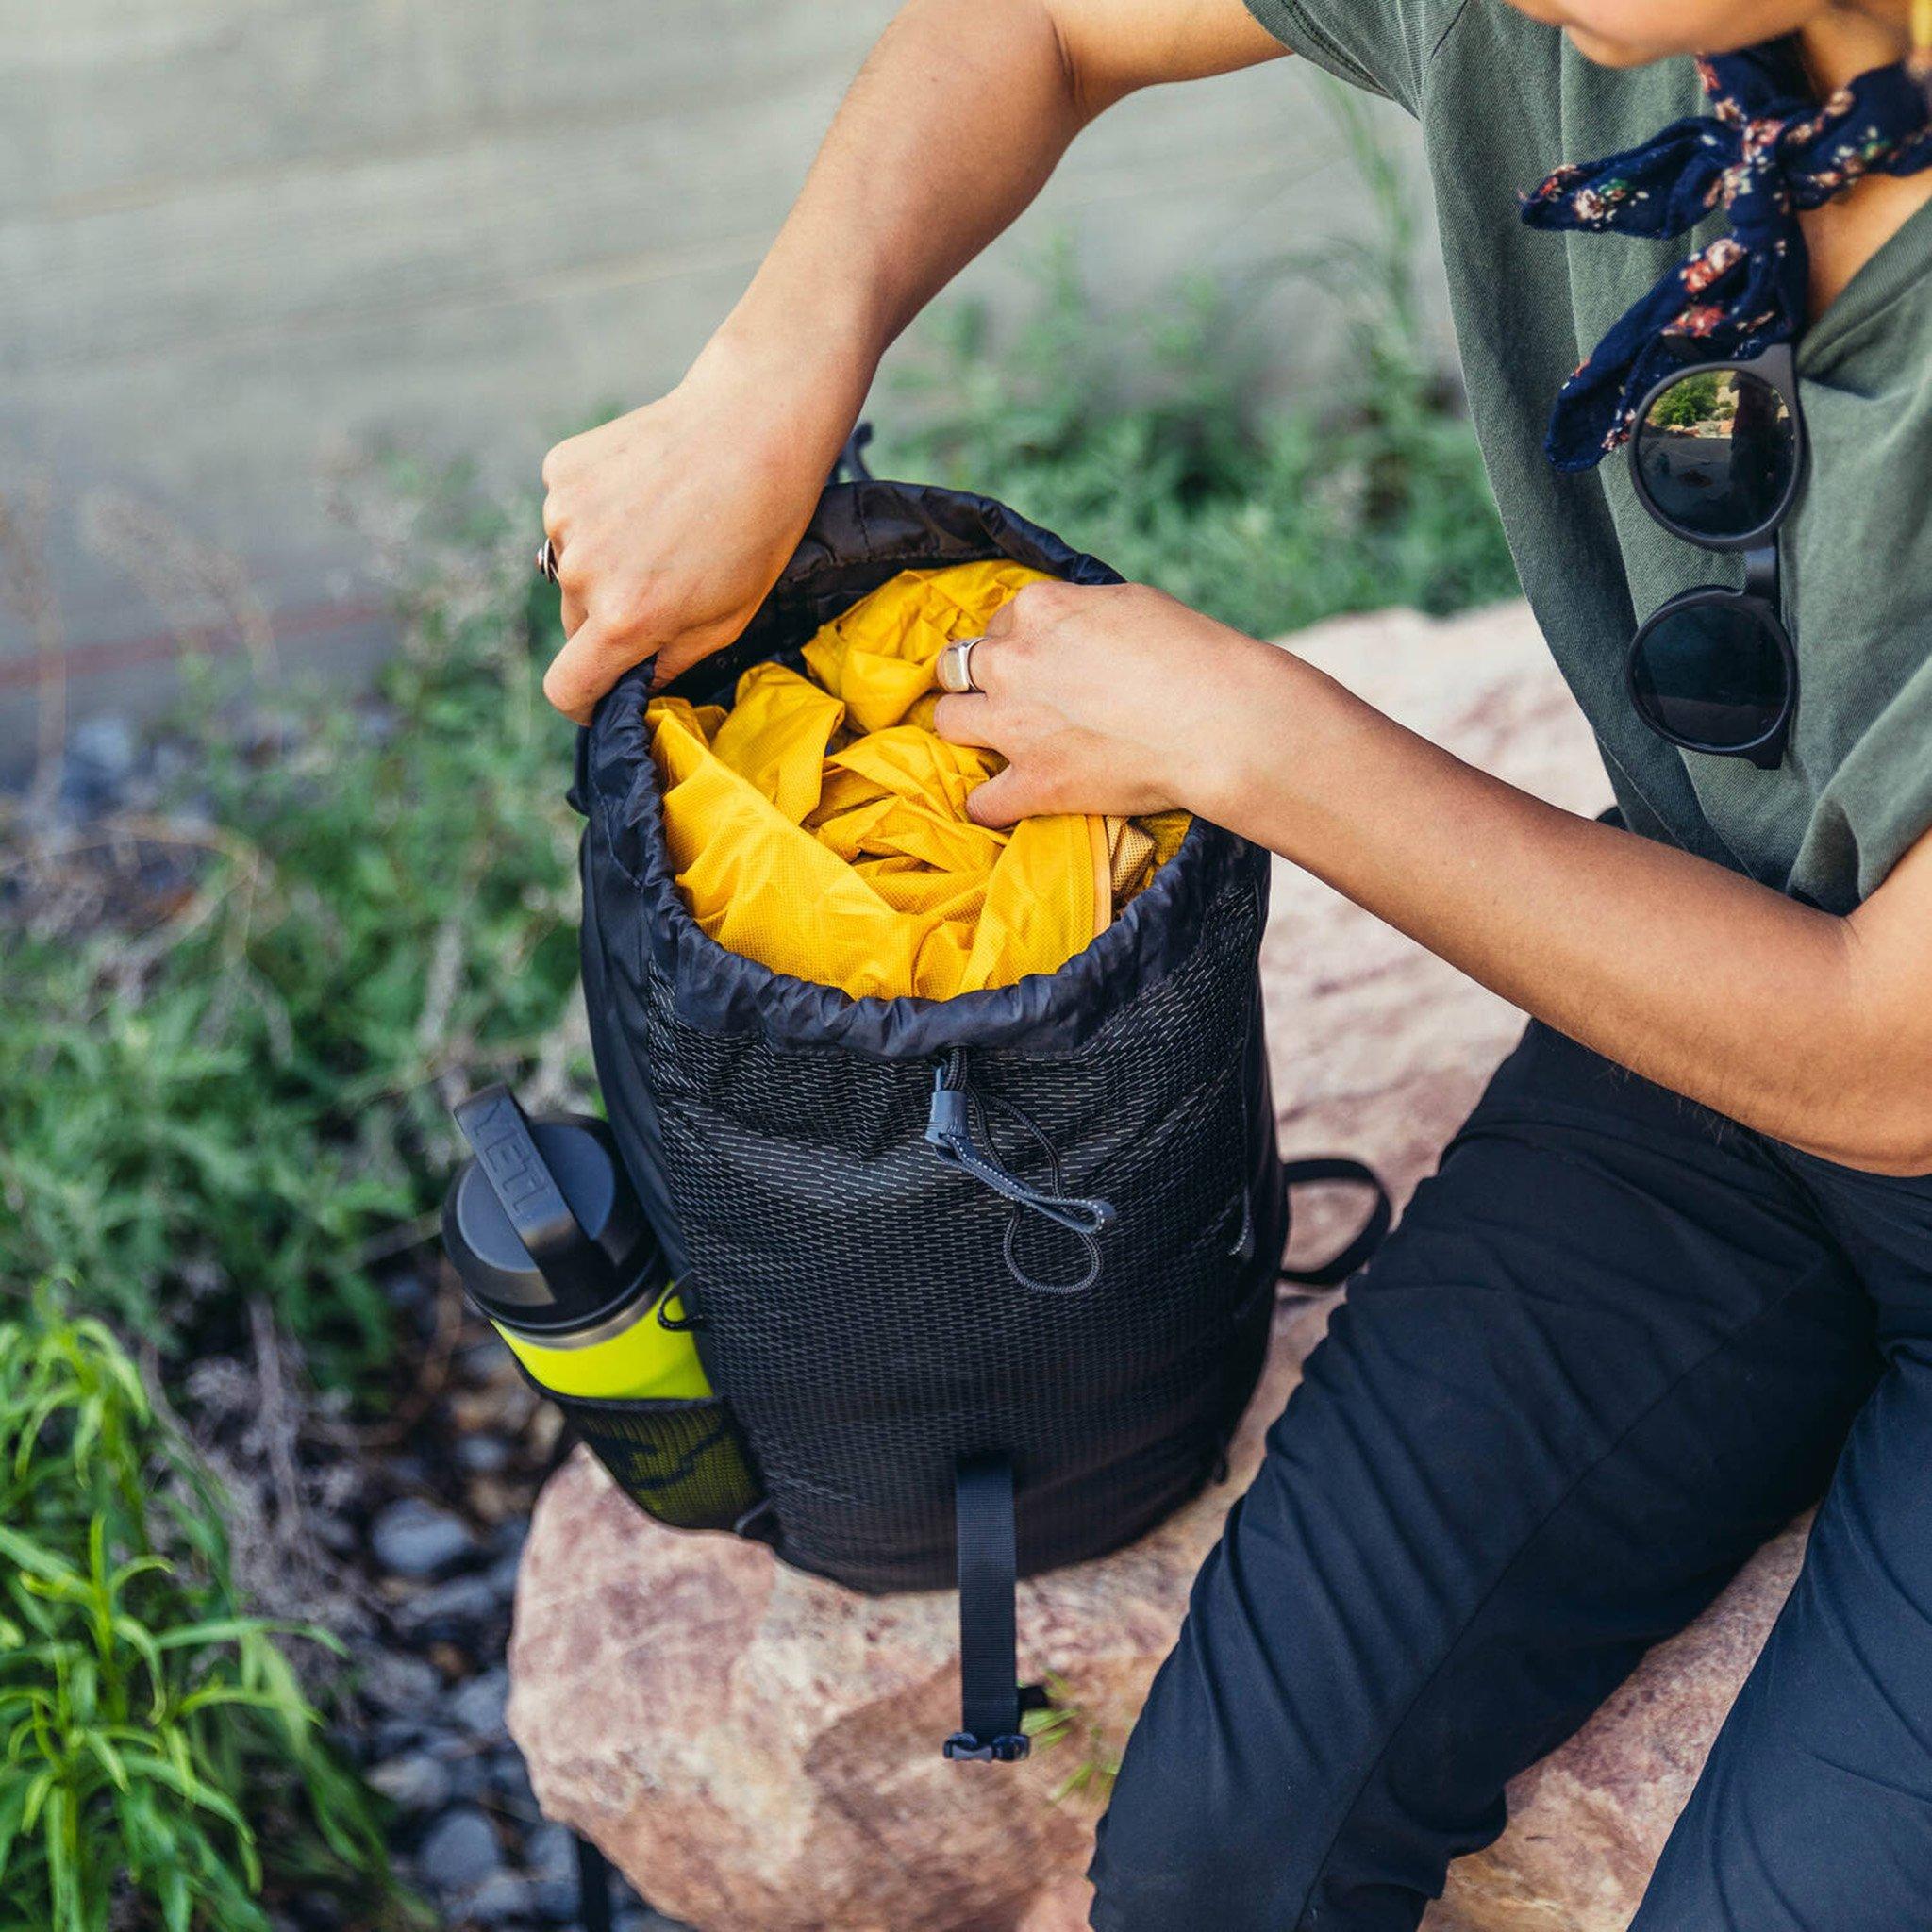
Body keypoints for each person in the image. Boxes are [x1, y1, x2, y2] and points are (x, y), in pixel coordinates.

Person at [535, 2, 1932, 1924]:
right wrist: (775, 366)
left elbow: (1888, 1061)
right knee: (1218, 1860)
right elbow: (1036, 19)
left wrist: (1251, 739)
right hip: (1714, 1038)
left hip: (1863, 1048)